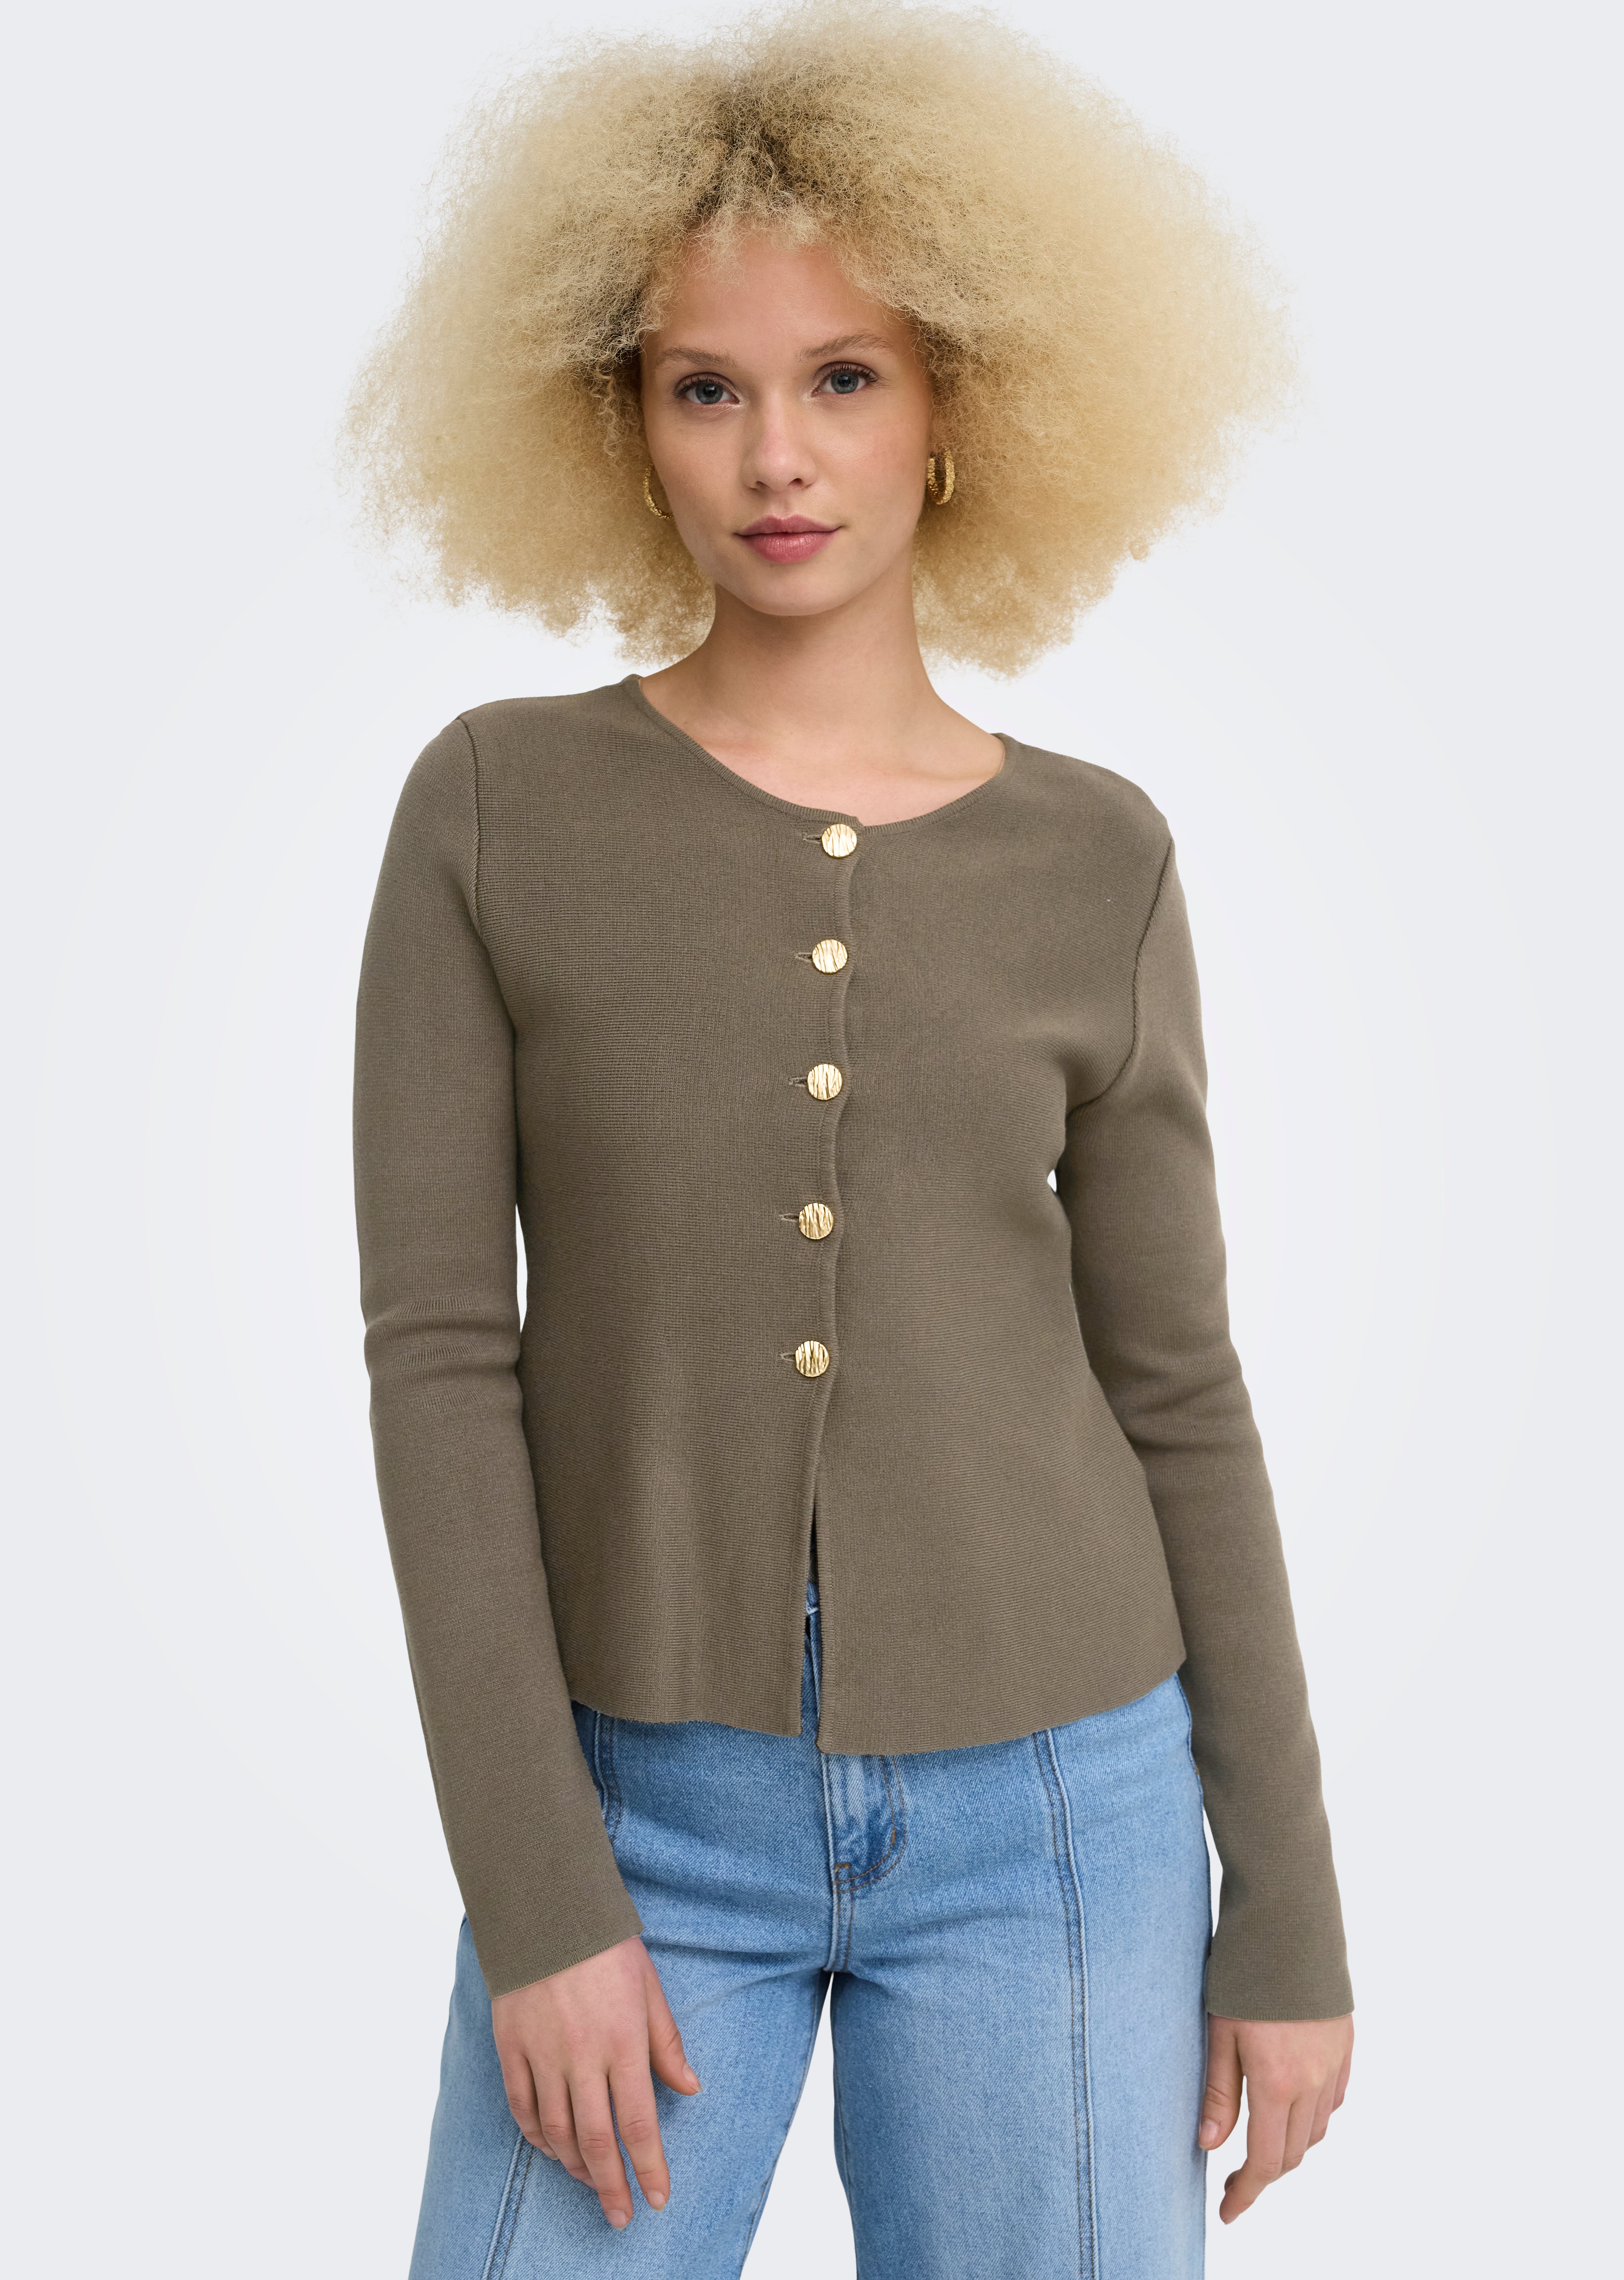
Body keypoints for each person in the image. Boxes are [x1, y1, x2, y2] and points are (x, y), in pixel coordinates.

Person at [345, 6, 1353, 2274]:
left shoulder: (1097, 857)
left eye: (842, 377)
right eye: (703, 387)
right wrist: (538, 1894)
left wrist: (1284, 1904)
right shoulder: (496, 808)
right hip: (634, 1817)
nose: (775, 455)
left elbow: (1175, 1386)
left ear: (956, 405)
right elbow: (439, 1360)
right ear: (619, 422)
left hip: (1060, 1823)